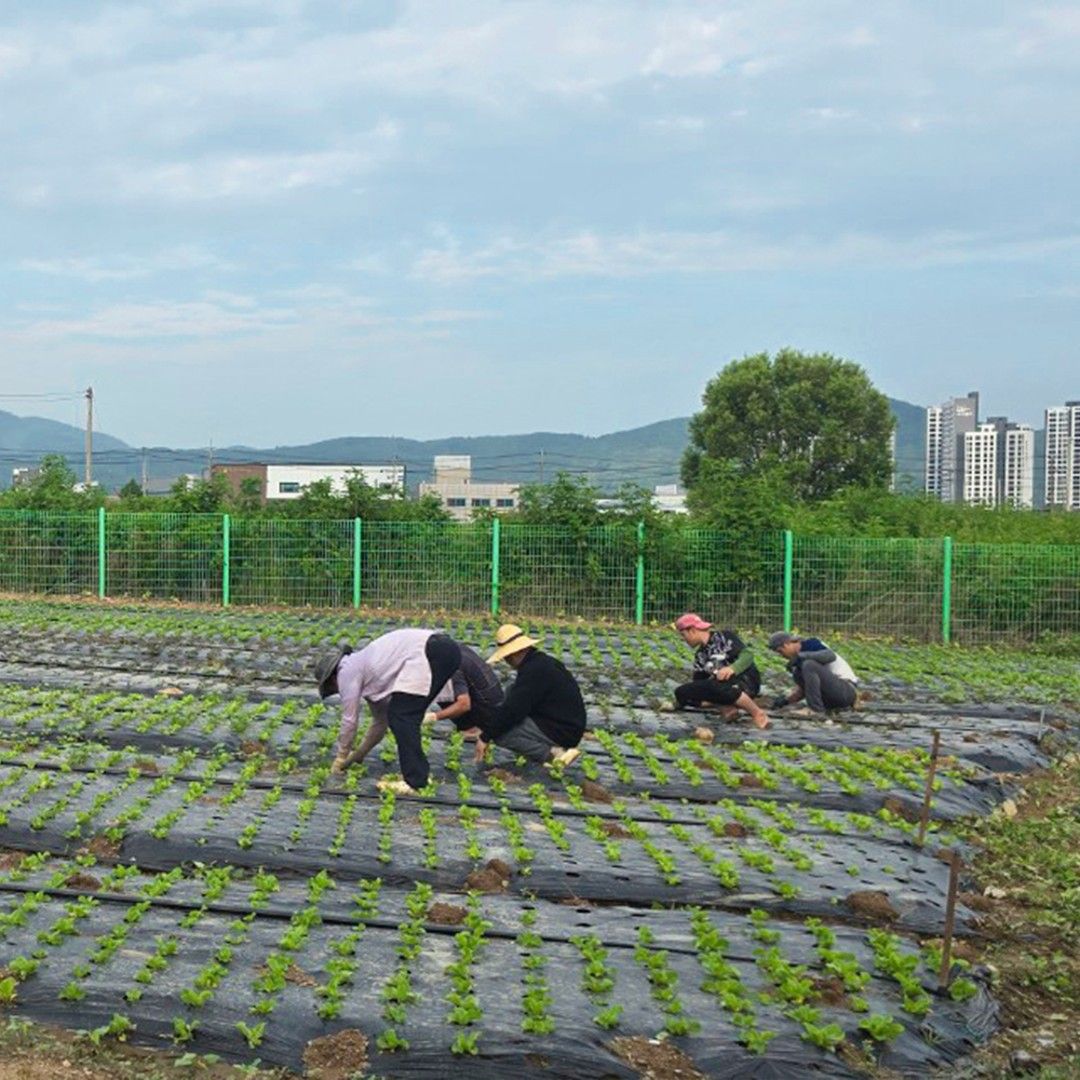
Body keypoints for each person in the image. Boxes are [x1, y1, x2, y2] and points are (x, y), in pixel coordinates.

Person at [314, 628, 461, 795]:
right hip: (445, 650)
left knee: (403, 716)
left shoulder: (346, 671)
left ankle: (415, 782)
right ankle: (418, 777)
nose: (338, 690)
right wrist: (359, 754)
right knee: (402, 715)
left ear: (333, 678)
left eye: (333, 688)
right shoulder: (369, 673)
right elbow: (380, 722)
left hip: (432, 651)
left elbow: (349, 720)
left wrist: (341, 756)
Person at [476, 623, 586, 767]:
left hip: (562, 730)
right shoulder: (542, 662)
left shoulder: (534, 671)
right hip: (568, 724)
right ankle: (546, 750)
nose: (506, 660)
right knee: (511, 692)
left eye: (507, 656)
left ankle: (554, 754)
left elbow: (513, 711)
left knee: (501, 734)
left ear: (515, 652)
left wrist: (485, 737)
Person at [669, 613, 769, 729]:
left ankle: (757, 713)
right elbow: (700, 684)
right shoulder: (700, 655)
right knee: (682, 692)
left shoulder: (723, 637)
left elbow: (747, 655)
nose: (684, 639)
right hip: (722, 686)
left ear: (692, 630)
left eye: (683, 635)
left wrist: (732, 668)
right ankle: (728, 708)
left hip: (745, 681)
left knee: (716, 686)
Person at [424, 643, 506, 739]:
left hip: (487, 709)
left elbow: (464, 704)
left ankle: (472, 729)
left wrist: (433, 716)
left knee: (442, 691)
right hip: (495, 701)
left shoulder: (451, 665)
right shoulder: (456, 649)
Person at [767, 631, 858, 714]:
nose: (781, 655)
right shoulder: (799, 663)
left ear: (787, 644)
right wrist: (785, 701)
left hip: (845, 691)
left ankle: (815, 710)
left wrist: (801, 656)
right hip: (830, 696)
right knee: (797, 672)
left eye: (780, 651)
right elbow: (808, 688)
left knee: (809, 664)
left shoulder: (811, 644)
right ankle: (820, 708)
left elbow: (831, 656)